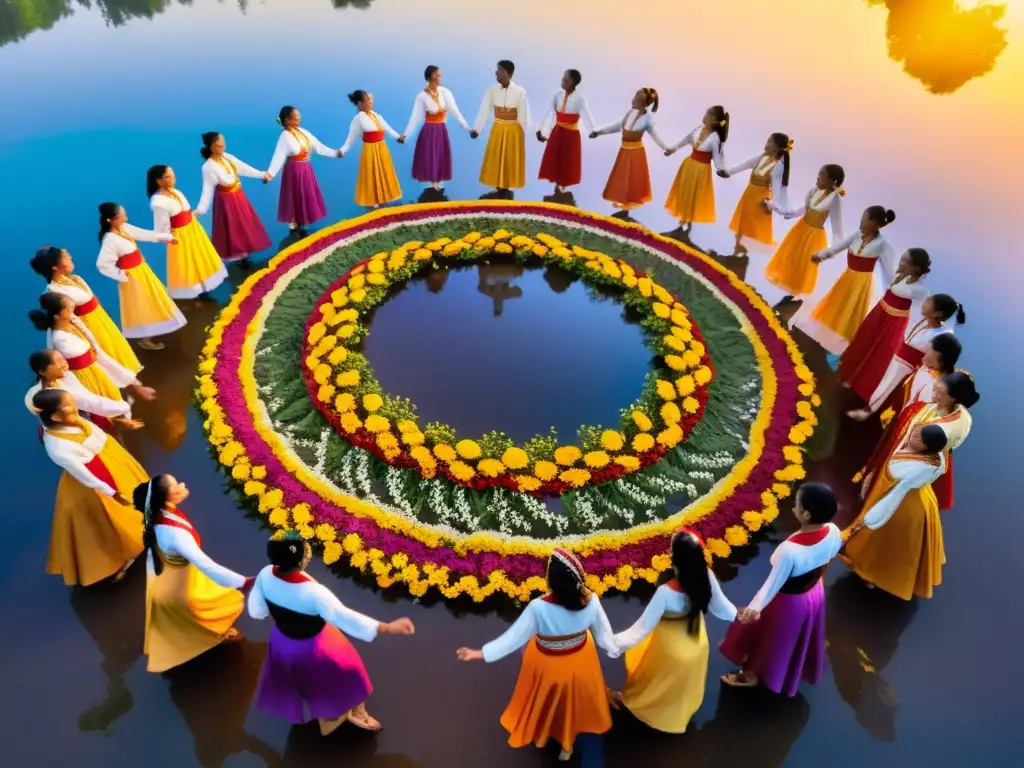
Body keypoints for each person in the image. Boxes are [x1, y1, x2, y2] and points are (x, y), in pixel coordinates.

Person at [456, 548, 619, 762]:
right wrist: (619, 648)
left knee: (550, 706)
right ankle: (568, 744)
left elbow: (512, 639)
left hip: (548, 666)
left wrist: (479, 653)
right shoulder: (592, 600)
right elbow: (607, 639)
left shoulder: (538, 608)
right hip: (582, 660)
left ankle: (558, 741)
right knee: (574, 705)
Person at [248, 532, 415, 735]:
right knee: (349, 672)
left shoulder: (265, 574)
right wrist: (386, 627)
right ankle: (356, 712)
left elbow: (257, 612)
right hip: (315, 646)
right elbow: (342, 616)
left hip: (282, 643)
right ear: (301, 560)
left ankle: (318, 711)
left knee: (301, 682)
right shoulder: (314, 593)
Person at [719, 482, 842, 696]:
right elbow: (828, 559)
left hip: (788, 601)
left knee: (772, 639)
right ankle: (801, 659)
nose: (793, 508)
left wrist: (754, 609)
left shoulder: (789, 550)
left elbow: (772, 584)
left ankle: (752, 674)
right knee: (796, 635)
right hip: (814, 590)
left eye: (796, 505)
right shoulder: (833, 531)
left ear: (805, 514)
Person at [610, 528, 737, 734]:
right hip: (697, 644)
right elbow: (722, 608)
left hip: (669, 648)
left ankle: (643, 709)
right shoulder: (707, 577)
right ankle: (679, 717)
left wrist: (612, 643)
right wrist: (742, 616)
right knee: (682, 688)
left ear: (674, 559)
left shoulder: (665, 592)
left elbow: (641, 630)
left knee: (654, 683)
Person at [134, 475, 252, 673]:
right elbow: (207, 565)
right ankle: (215, 635)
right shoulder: (175, 534)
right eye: (175, 485)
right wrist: (243, 582)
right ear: (168, 496)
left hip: (170, 574)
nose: (181, 485)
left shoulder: (157, 514)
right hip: (176, 585)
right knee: (198, 611)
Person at [33, 389, 147, 586]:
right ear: (54, 416)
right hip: (96, 481)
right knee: (110, 522)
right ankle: (123, 557)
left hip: (109, 459)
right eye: (68, 406)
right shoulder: (58, 447)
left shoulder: (70, 420)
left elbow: (95, 429)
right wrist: (111, 492)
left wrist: (120, 421)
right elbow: (84, 475)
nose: (74, 408)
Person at [843, 423, 952, 600]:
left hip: (899, 508)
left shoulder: (909, 470)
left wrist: (872, 516)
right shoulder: (933, 459)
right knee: (905, 548)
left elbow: (895, 491)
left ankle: (872, 575)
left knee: (883, 544)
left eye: (916, 437)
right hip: (920, 502)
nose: (911, 437)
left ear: (924, 446)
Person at [857, 368, 976, 514]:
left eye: (941, 393)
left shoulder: (947, 430)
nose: (935, 395)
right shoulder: (918, 410)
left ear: (953, 398)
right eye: (936, 390)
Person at [795, 206, 898, 355]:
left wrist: (892, 295)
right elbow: (839, 246)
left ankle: (834, 350)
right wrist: (821, 255)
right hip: (847, 278)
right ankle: (817, 343)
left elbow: (888, 273)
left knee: (849, 316)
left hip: (862, 285)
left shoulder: (883, 244)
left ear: (875, 223)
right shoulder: (858, 235)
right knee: (833, 308)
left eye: (864, 221)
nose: (861, 224)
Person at [28, 293, 156, 410]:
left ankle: (131, 397)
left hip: (96, 365)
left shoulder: (70, 321)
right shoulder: (62, 340)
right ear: (58, 315)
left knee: (117, 384)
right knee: (110, 401)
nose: (73, 311)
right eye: (68, 309)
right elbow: (94, 362)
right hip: (91, 376)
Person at [838, 248, 932, 399]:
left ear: (916, 267)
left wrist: (907, 335)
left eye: (905, 261)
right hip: (879, 312)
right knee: (863, 342)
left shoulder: (922, 290)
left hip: (893, 322)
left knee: (878, 353)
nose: (901, 262)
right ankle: (847, 373)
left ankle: (859, 385)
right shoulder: (900, 275)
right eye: (902, 258)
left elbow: (918, 314)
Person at [848, 296, 964, 418]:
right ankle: (867, 407)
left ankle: (869, 413)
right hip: (897, 358)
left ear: (938, 313)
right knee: (882, 384)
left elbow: (939, 354)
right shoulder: (924, 322)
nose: (924, 304)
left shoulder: (943, 334)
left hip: (907, 366)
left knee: (888, 389)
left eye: (929, 304)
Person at [32, 246, 141, 374]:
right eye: (65, 257)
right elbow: (64, 320)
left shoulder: (75, 278)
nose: (70, 258)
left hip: (100, 320)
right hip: (87, 327)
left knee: (116, 350)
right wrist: (88, 339)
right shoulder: (53, 291)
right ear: (55, 267)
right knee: (105, 358)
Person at [96, 202, 187, 350]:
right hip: (133, 277)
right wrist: (121, 274)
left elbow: (144, 234)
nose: (125, 217)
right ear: (111, 219)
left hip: (142, 271)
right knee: (142, 305)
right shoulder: (110, 240)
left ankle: (154, 330)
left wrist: (166, 237)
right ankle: (145, 338)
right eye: (122, 215)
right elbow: (103, 264)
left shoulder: (123, 229)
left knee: (152, 299)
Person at [763, 164, 846, 301]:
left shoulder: (835, 199)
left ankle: (792, 300)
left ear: (832, 181)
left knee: (802, 269)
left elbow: (838, 233)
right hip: (800, 230)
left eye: (822, 175)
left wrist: (827, 253)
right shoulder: (813, 191)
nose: (818, 177)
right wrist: (773, 206)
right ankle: (784, 300)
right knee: (790, 261)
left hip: (814, 237)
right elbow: (797, 212)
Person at [147, 165, 228, 300]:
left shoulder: (175, 192)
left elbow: (185, 211)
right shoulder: (158, 202)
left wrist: (193, 215)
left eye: (173, 175)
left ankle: (206, 285)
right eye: (169, 176)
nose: (173, 179)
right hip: (180, 237)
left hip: (193, 230)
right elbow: (160, 228)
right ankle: (198, 292)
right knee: (188, 264)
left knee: (201, 258)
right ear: (159, 181)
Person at [194, 132, 273, 267]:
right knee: (233, 228)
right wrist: (199, 211)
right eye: (220, 142)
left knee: (244, 223)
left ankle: (246, 252)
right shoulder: (208, 167)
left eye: (223, 141)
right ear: (212, 146)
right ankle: (239, 257)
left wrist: (261, 174)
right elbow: (207, 192)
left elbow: (243, 168)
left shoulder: (227, 157)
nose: (224, 144)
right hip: (226, 202)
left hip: (238, 196)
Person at [589, 87, 668, 217]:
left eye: (638, 96)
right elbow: (617, 125)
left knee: (632, 179)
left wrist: (665, 147)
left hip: (636, 152)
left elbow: (655, 135)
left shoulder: (646, 119)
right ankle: (622, 205)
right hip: (625, 150)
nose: (634, 98)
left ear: (645, 102)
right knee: (622, 177)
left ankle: (626, 208)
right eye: (635, 95)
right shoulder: (629, 113)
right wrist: (599, 132)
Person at [25, 349, 141, 436]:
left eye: (63, 359)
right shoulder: (60, 394)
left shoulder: (64, 376)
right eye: (59, 361)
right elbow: (93, 403)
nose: (65, 363)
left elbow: (88, 398)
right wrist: (124, 407)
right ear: (43, 371)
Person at [398, 65, 475, 195]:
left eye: (440, 75)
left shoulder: (445, 92)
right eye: (437, 75)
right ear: (430, 77)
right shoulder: (422, 96)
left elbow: (455, 111)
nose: (440, 77)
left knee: (440, 154)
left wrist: (467, 128)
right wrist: (405, 134)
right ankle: (433, 183)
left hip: (441, 129)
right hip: (429, 130)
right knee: (430, 155)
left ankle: (438, 181)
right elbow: (415, 116)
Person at [266, 106, 340, 233]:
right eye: (295, 118)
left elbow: (318, 147)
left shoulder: (303, 132)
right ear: (287, 120)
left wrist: (335, 153)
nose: (298, 120)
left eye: (299, 117)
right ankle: (293, 221)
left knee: (306, 192)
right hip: (294, 170)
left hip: (306, 168)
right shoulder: (285, 137)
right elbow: (278, 156)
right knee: (294, 194)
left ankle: (305, 216)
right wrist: (270, 174)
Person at [718, 132, 792, 255]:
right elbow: (747, 163)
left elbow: (776, 187)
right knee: (743, 225)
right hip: (749, 195)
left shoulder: (778, 165)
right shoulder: (762, 156)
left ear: (777, 148)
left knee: (753, 228)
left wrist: (771, 203)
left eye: (769, 142)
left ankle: (744, 255)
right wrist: (728, 172)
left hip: (761, 200)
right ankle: (736, 252)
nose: (766, 144)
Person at [663, 105, 730, 235]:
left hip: (701, 170)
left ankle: (686, 227)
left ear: (714, 120)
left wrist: (721, 169)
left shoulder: (715, 137)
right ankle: (682, 225)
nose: (704, 115)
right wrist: (672, 149)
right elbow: (684, 141)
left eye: (708, 114)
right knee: (684, 194)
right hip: (688, 165)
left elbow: (717, 157)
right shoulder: (698, 130)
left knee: (693, 197)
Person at [474, 60, 531, 200]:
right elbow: (484, 110)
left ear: (506, 72)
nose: (496, 72)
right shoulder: (491, 90)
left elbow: (524, 115)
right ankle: (499, 190)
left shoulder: (520, 92)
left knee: (509, 159)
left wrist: (524, 132)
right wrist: (477, 129)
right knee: (496, 158)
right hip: (498, 127)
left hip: (513, 129)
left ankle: (506, 190)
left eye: (498, 70)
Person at [536, 68, 596, 198]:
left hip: (571, 135)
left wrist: (593, 131)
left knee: (567, 161)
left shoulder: (580, 98)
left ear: (573, 82)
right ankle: (556, 188)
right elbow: (549, 112)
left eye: (566, 78)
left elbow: (587, 115)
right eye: (563, 77)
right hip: (557, 131)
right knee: (554, 159)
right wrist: (541, 130)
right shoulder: (557, 94)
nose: (562, 80)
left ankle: (563, 189)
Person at [340, 90, 403, 209]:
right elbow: (351, 138)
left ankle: (384, 198)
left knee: (383, 172)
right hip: (370, 150)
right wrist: (343, 150)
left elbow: (387, 129)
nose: (371, 102)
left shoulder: (376, 115)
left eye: (371, 99)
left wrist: (398, 137)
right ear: (360, 104)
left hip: (381, 148)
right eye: (368, 100)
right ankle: (374, 202)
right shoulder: (358, 119)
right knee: (372, 173)